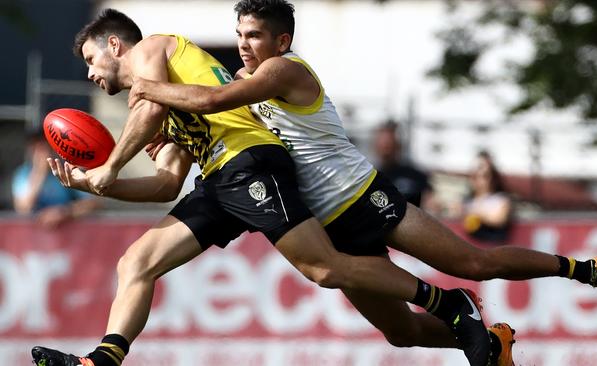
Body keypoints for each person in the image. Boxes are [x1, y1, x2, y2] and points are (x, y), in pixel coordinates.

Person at [122, 0, 597, 365]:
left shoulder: (281, 70)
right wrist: (170, 140)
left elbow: (209, 102)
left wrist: (145, 84)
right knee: (401, 333)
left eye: (254, 35)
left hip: (362, 197)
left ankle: (586, 270)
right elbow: (207, 120)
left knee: (474, 263)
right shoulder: (244, 81)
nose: (244, 44)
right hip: (327, 228)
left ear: (281, 39)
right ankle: (486, 340)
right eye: (239, 35)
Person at [30, 8, 505, 366]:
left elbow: (149, 109)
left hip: (249, 162)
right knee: (136, 262)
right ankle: (103, 360)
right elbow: (166, 184)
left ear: (115, 45)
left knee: (325, 268)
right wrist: (99, 188)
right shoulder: (159, 106)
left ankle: (449, 303)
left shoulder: (152, 49)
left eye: (91, 59)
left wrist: (109, 166)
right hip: (219, 181)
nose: (90, 73)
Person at [12, 130, 102, 228]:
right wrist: (40, 172)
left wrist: (64, 212)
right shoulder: (23, 174)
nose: (40, 153)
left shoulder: (68, 171)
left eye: (43, 147)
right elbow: (24, 208)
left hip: (69, 236)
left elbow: (93, 203)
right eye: (35, 148)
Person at [373, 119, 437, 211]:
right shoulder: (371, 177)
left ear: (399, 146)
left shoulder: (415, 176)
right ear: (376, 147)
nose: (387, 151)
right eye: (384, 146)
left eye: (390, 146)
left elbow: (431, 202)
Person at [457, 151, 513, 243]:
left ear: (492, 177)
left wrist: (473, 212)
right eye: (475, 177)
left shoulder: (501, 199)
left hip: (493, 245)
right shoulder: (467, 200)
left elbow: (499, 219)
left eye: (484, 176)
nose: (479, 181)